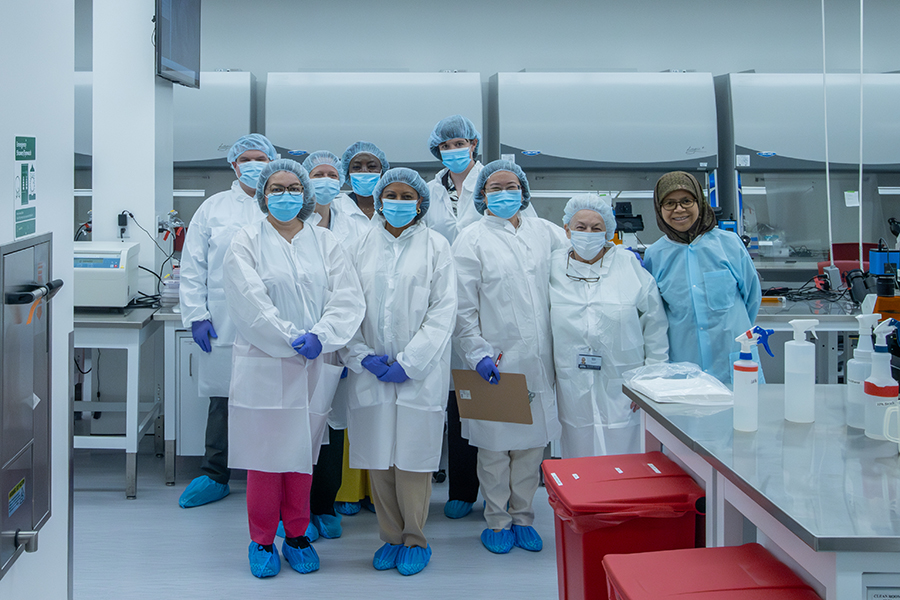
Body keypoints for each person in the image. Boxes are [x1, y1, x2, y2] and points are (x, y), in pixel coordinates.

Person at [223, 159, 365, 578]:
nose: (285, 195)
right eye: (277, 188)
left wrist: (322, 334)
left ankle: (298, 535)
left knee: (302, 456)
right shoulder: (245, 241)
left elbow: (348, 296)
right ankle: (262, 540)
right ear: (264, 195)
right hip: (265, 360)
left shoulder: (326, 242)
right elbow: (249, 301)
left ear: (305, 194)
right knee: (265, 459)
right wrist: (288, 337)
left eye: (292, 188)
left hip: (315, 362)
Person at [341, 168, 457, 576]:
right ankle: (389, 536)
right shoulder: (358, 245)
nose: (398, 201)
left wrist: (410, 362)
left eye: (407, 195)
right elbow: (345, 305)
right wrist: (359, 355)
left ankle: (415, 538)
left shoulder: (437, 247)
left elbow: (443, 312)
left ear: (421, 203)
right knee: (378, 455)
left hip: (419, 373)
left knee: (413, 459)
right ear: (378, 199)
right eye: (391, 194)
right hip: (370, 370)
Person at [452, 159, 566, 555]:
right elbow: (462, 307)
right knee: (495, 449)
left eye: (511, 186)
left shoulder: (545, 233)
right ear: (482, 195)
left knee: (532, 449)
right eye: (495, 188)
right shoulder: (471, 238)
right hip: (495, 363)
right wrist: (476, 352)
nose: (504, 193)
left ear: (524, 191)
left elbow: (579, 261)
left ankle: (523, 517)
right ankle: (497, 520)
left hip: (538, 363)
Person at [178, 133, 275, 508]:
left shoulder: (282, 203)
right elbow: (193, 265)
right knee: (223, 398)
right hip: (222, 316)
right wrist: (197, 315)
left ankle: (265, 473)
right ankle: (214, 473)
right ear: (233, 165)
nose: (253, 165)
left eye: (260, 158)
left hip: (271, 317)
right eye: (246, 159)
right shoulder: (213, 208)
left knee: (270, 397)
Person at [550, 194, 669, 458]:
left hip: (625, 384)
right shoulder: (552, 267)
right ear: (567, 229)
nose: (588, 233)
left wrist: (650, 380)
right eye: (580, 227)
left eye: (596, 228)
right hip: (571, 385)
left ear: (608, 231)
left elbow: (655, 325)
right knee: (580, 458)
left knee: (626, 459)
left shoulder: (627, 265)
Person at [300, 150, 371, 539]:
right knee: (301, 427)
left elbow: (359, 287)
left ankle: (324, 505)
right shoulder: (293, 223)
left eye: (331, 173)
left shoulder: (356, 225)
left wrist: (347, 343)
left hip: (343, 338)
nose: (325, 180)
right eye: (317, 174)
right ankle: (297, 510)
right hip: (301, 343)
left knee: (335, 424)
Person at [643, 171, 762, 384]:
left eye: (686, 200)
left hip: (733, 361)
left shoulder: (729, 244)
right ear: (659, 209)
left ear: (700, 202)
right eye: (669, 203)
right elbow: (655, 313)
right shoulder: (655, 255)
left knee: (743, 415)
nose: (679, 209)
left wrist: (734, 331)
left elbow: (751, 298)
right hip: (684, 366)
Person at [331, 141, 392, 516]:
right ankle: (347, 490)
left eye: (372, 165)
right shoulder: (334, 209)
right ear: (345, 171)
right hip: (345, 317)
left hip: (387, 318)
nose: (365, 172)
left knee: (380, 408)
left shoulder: (396, 206)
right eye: (358, 166)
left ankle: (378, 491)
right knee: (344, 410)